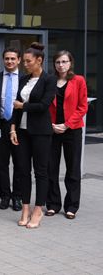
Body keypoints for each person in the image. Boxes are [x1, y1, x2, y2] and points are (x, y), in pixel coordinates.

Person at [10, 42, 56, 229]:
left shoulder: (49, 80)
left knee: (41, 171)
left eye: (28, 61)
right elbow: (15, 106)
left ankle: (38, 209)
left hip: (41, 132)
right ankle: (25, 208)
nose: (25, 64)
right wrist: (12, 128)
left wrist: (23, 106)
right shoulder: (23, 79)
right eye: (25, 62)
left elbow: (44, 106)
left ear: (40, 60)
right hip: (21, 131)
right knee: (22, 170)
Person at [46, 50, 88, 219]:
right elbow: (44, 105)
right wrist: (51, 125)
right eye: (58, 62)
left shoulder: (79, 81)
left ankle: (71, 206)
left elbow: (82, 106)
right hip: (52, 130)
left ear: (70, 63)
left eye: (64, 61)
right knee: (51, 169)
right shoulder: (49, 81)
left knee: (73, 169)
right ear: (54, 64)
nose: (61, 65)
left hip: (73, 130)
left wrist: (67, 124)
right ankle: (53, 204)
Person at [0, 48, 23, 211]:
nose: (9, 61)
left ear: (19, 60)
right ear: (3, 60)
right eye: (7, 59)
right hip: (0, 125)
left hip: (19, 127)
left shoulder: (25, 79)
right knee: (2, 164)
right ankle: (5, 196)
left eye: (13, 59)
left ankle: (17, 197)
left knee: (19, 163)